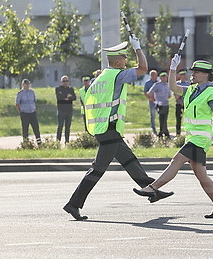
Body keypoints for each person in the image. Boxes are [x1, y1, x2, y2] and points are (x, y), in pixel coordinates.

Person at [63, 35, 173, 221]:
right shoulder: (117, 75)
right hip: (109, 128)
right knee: (97, 169)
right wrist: (138, 48)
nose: (126, 60)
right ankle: (73, 204)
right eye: (124, 57)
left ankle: (151, 189)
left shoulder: (101, 78)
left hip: (104, 128)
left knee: (129, 160)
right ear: (117, 60)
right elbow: (143, 68)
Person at [133, 55, 213, 218]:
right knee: (202, 176)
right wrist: (173, 68)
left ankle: (152, 189)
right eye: (193, 71)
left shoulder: (211, 92)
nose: (193, 74)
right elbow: (173, 87)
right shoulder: (190, 89)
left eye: (196, 72)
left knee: (177, 160)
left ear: (205, 75)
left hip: (201, 138)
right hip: (192, 137)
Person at [15, 79, 42, 145]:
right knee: (25, 129)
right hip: (24, 113)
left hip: (32, 113)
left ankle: (39, 143)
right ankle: (25, 143)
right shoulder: (20, 94)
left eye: (28, 84)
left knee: (36, 128)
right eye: (26, 84)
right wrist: (21, 112)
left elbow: (34, 101)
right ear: (23, 85)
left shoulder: (32, 92)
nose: (27, 85)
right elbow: (17, 104)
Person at [148, 71, 171, 138]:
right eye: (163, 77)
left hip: (166, 104)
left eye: (165, 77)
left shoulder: (167, 85)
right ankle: (163, 132)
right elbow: (150, 93)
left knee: (165, 118)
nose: (164, 78)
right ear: (160, 78)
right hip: (160, 104)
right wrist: (154, 100)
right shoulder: (157, 85)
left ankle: (164, 131)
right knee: (161, 119)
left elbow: (169, 95)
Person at [55, 75, 76, 143]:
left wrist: (67, 98)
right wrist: (67, 97)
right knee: (60, 126)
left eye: (67, 81)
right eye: (64, 81)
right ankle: (58, 141)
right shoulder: (58, 88)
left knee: (68, 127)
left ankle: (67, 141)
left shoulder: (71, 89)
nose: (65, 82)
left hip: (69, 111)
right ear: (61, 82)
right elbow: (59, 97)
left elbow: (74, 97)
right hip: (61, 110)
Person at [174, 69, 190, 135]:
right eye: (181, 75)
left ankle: (188, 133)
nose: (183, 76)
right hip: (179, 103)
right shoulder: (177, 83)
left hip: (186, 104)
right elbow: (176, 95)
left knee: (188, 119)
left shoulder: (188, 84)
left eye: (184, 75)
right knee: (178, 119)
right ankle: (178, 133)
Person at [143, 70, 158, 135]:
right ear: (151, 76)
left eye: (156, 75)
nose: (156, 76)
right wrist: (150, 98)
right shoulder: (147, 83)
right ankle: (153, 128)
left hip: (159, 101)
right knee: (153, 115)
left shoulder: (158, 82)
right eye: (154, 75)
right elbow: (145, 92)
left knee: (160, 115)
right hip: (151, 101)